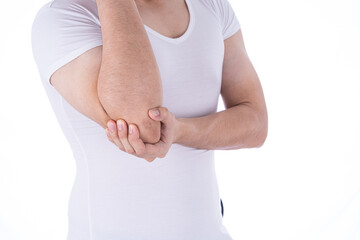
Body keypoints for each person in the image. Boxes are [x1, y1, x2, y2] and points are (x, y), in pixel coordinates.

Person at [31, 0, 268, 239]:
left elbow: (255, 122)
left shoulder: (211, 5)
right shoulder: (61, 16)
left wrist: (180, 131)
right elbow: (141, 128)